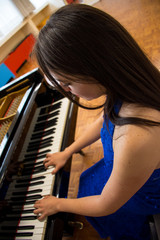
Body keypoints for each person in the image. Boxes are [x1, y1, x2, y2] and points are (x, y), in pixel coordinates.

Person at [33, 4, 160, 240]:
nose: (65, 90)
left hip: (141, 194)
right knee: (87, 181)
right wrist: (68, 151)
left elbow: (105, 205)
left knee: (102, 206)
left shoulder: (136, 136)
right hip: (127, 169)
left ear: (95, 67)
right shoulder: (128, 82)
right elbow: (106, 119)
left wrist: (59, 204)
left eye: (67, 83)